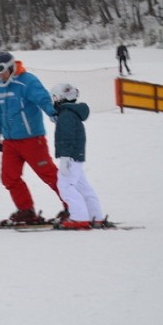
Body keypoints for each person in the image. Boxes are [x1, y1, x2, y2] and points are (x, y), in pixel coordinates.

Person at [0, 51, 66, 225]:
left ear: (11, 67)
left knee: (48, 174)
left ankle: (73, 205)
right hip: (10, 141)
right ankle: (26, 210)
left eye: (1, 70)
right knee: (9, 177)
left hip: (32, 139)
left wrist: (53, 113)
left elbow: (43, 99)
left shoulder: (27, 81)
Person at [51, 83, 105, 229]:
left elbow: (67, 137)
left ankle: (79, 217)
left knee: (65, 186)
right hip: (76, 156)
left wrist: (65, 157)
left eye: (54, 97)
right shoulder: (71, 113)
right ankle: (95, 216)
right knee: (83, 187)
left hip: (71, 157)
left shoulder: (66, 115)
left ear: (60, 98)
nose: (53, 101)